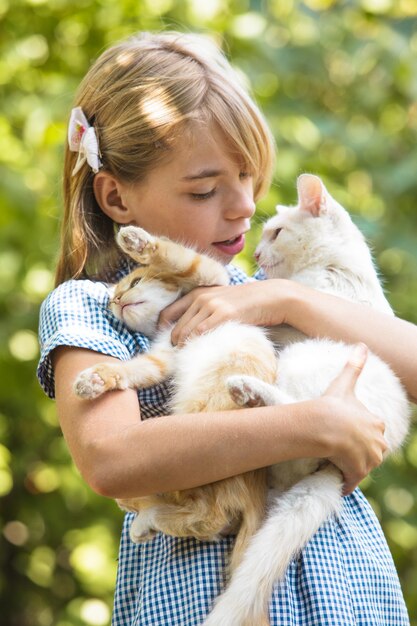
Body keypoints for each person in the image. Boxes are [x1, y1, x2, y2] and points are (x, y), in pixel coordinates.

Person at [37, 31, 411, 625]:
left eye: (250, 176)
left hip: (343, 584)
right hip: (198, 583)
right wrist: (311, 424)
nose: (242, 206)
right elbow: (110, 457)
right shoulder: (89, 305)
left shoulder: (256, 294)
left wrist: (286, 298)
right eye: (206, 189)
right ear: (116, 198)